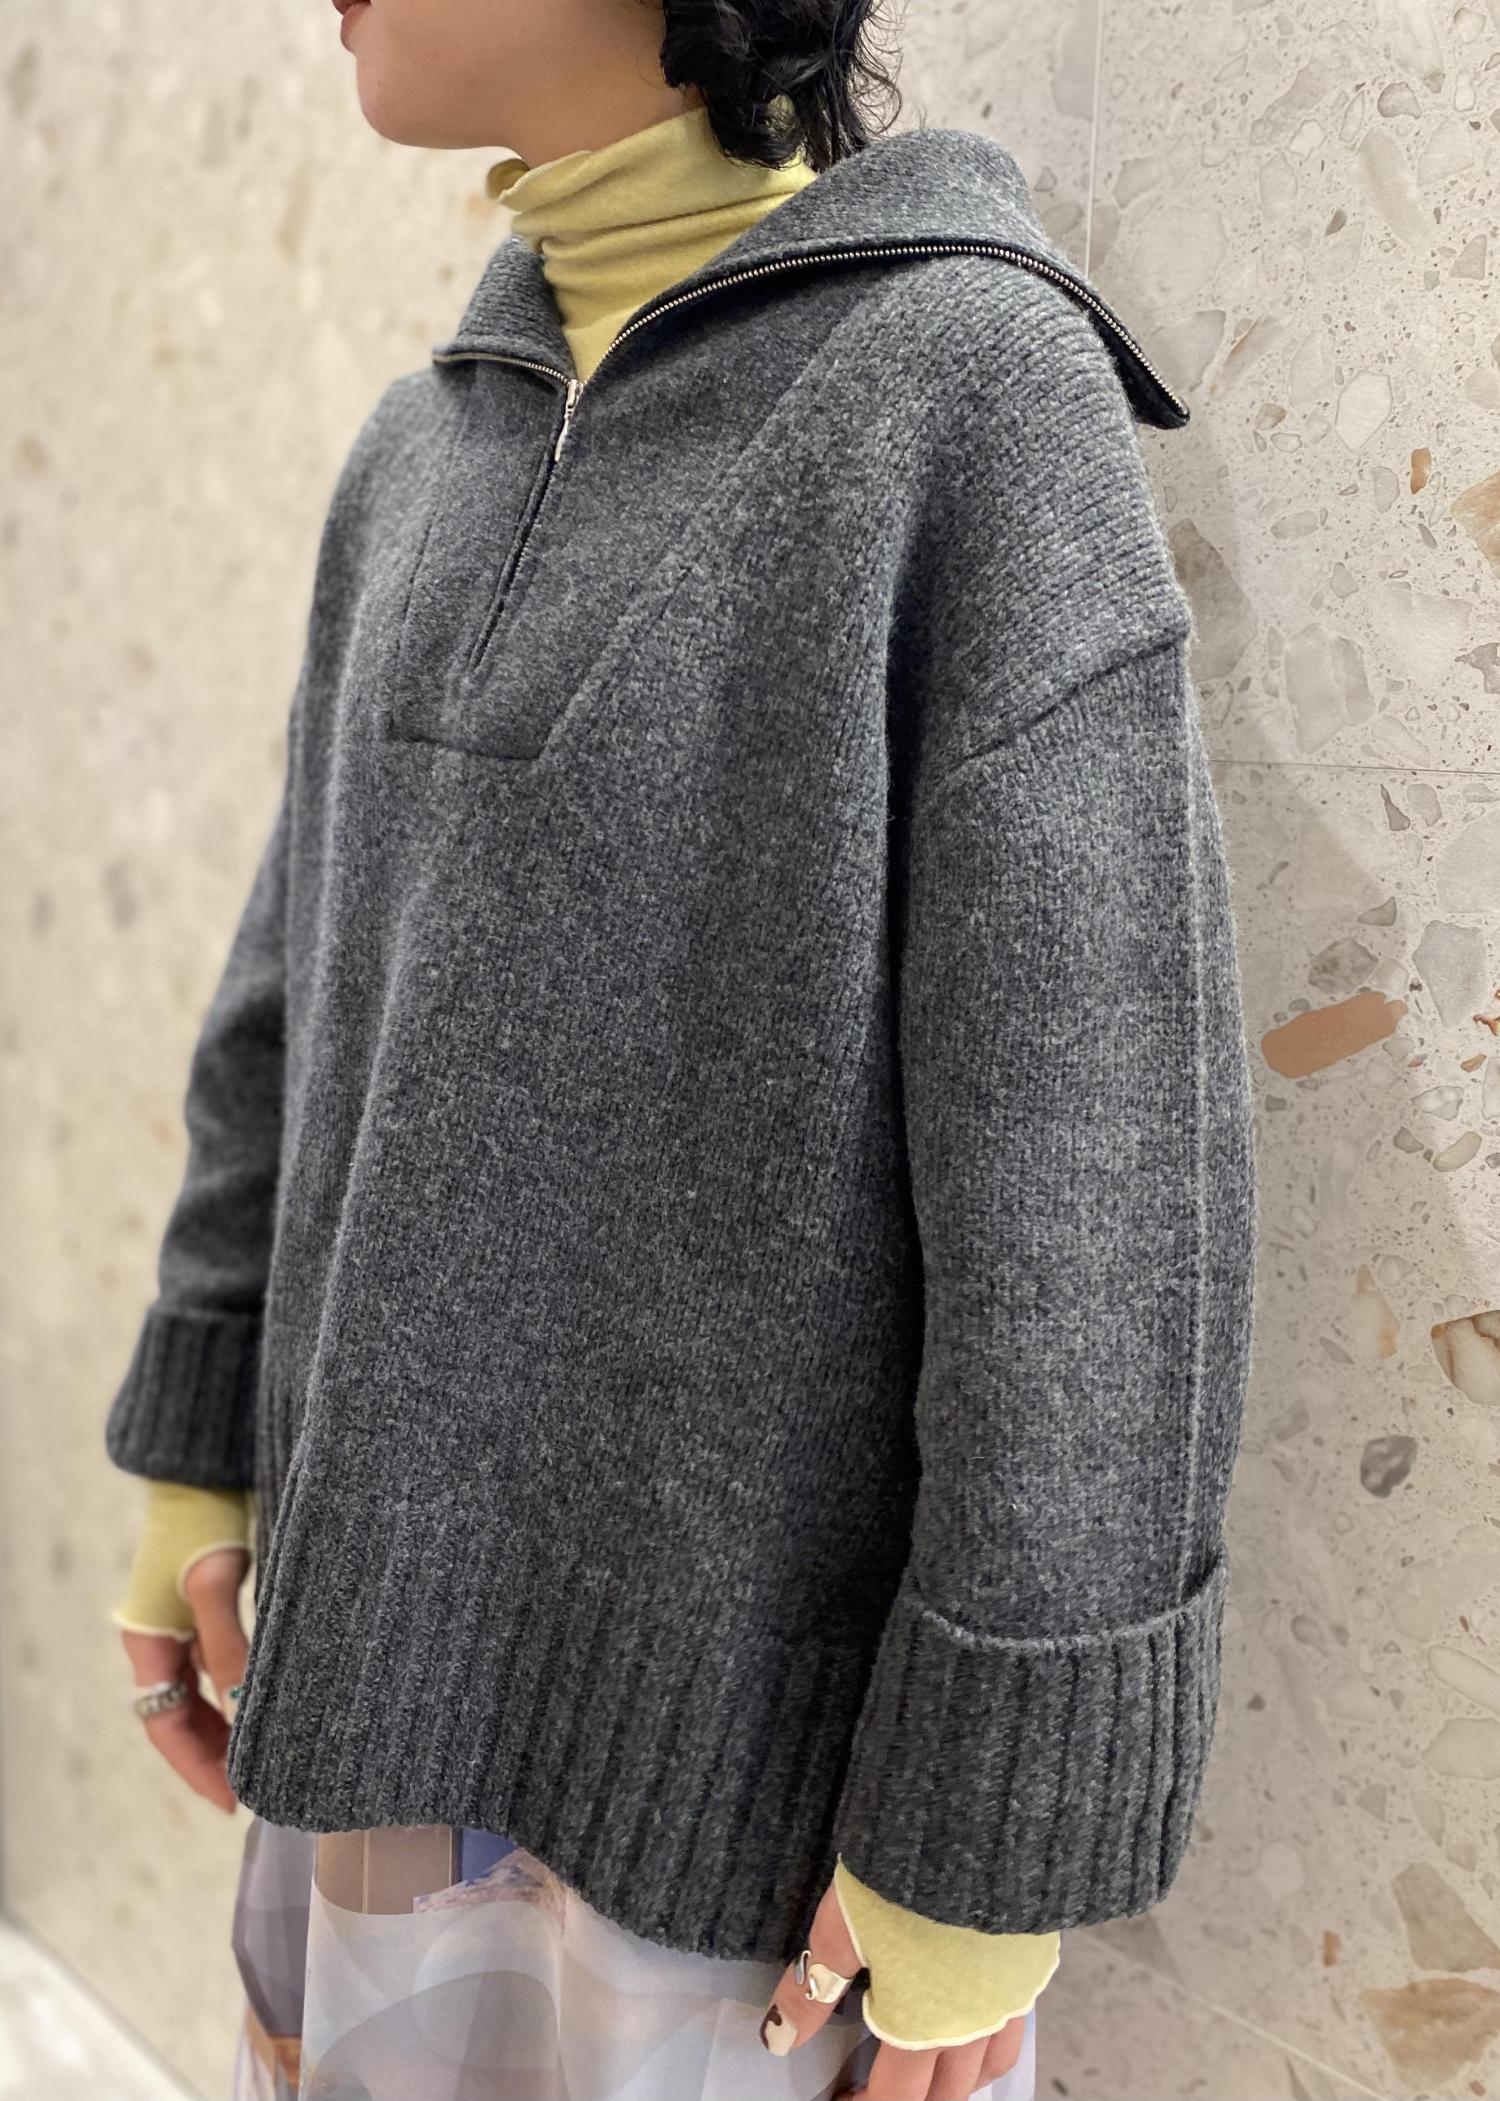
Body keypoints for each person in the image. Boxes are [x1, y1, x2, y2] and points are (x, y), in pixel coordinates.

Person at [104, 2, 1258, 2097]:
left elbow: (1095, 1167)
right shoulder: (421, 448)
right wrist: (202, 1429)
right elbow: (301, 977)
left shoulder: (966, 395)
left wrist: (990, 1827)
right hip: (354, 1727)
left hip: (731, 1864)